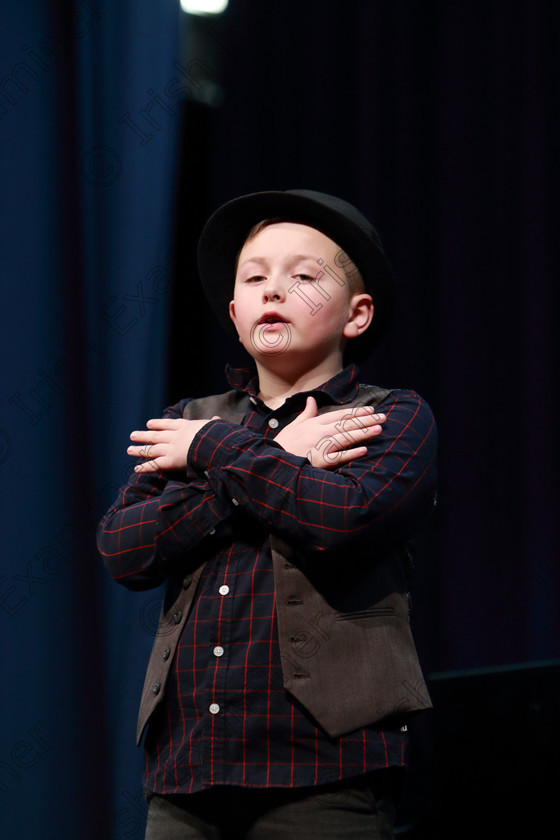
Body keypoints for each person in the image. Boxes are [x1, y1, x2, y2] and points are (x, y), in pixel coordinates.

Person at [97, 189, 437, 839]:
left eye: (303, 276)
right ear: (233, 311)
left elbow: (343, 518)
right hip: (187, 771)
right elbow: (125, 549)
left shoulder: (387, 417)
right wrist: (268, 456)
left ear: (356, 314)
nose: (273, 290)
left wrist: (216, 454)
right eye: (254, 278)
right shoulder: (185, 423)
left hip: (325, 768)